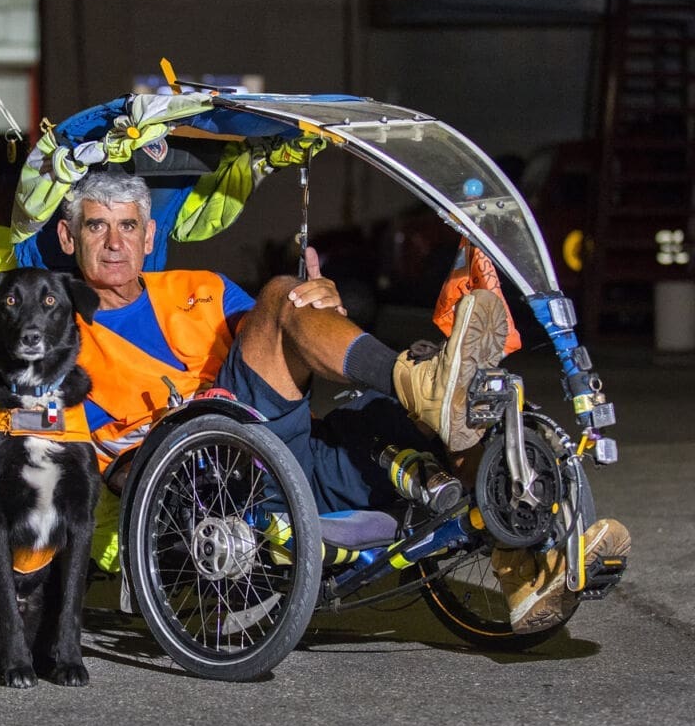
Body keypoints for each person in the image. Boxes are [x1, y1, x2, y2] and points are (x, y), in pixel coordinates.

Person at [55, 170, 629, 634]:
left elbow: (284, 340)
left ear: (149, 236)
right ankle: (421, 383)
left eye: (128, 226)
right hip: (216, 474)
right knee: (282, 294)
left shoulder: (200, 286)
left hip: (294, 445)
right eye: (97, 226)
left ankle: (526, 567)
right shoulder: (60, 342)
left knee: (414, 417)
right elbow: (106, 467)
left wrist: (320, 306)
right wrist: (165, 462)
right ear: (68, 237)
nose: (114, 243)